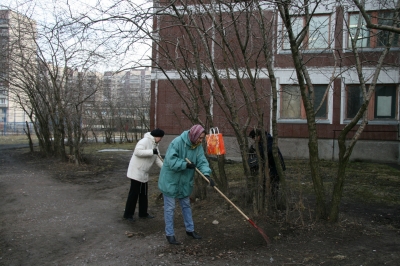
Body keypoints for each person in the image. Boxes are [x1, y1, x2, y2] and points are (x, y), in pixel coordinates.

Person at [158, 124, 215, 245]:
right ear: (193, 135)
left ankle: (190, 230)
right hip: (170, 180)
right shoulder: (177, 142)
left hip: (184, 181)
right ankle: (170, 234)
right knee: (170, 208)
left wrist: (207, 175)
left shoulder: (197, 146)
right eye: (200, 138)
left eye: (202, 138)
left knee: (186, 205)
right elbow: (171, 161)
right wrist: (185, 164)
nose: (201, 140)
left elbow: (202, 161)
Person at [123, 128, 165, 222]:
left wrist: (165, 168)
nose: (161, 139)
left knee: (144, 194)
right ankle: (128, 214)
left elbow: (157, 159)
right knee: (134, 194)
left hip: (144, 173)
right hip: (136, 171)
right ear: (156, 136)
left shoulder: (155, 145)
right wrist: (151, 152)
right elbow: (137, 152)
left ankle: (143, 213)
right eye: (160, 137)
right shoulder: (144, 141)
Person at [248, 129, 286, 201]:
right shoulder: (262, 141)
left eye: (254, 137)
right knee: (266, 183)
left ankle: (273, 199)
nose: (254, 140)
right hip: (269, 167)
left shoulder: (269, 140)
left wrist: (258, 151)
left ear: (258, 136)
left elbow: (267, 151)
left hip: (276, 166)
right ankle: (267, 199)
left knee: (274, 184)